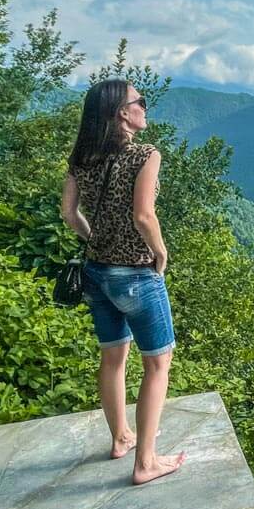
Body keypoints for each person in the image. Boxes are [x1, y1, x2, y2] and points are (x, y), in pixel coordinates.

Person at [61, 79, 186, 485]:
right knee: (157, 363)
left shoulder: (83, 157)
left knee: (113, 358)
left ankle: (121, 438)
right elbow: (143, 215)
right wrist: (161, 252)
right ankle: (146, 462)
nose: (145, 108)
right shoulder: (146, 155)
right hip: (135, 273)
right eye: (141, 102)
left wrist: (94, 237)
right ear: (122, 113)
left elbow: (69, 213)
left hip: (96, 272)